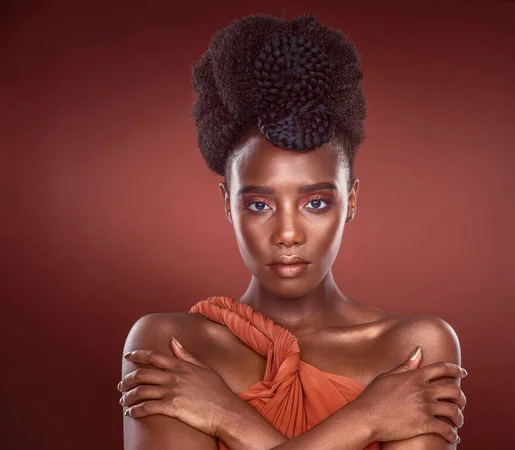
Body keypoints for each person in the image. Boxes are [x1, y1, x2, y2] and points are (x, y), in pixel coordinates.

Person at [117, 13, 467, 450]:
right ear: (227, 203)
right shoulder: (171, 344)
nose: (286, 234)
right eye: (259, 204)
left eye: (315, 202)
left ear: (351, 200)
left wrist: (224, 416)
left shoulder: (412, 347)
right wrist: (367, 420)